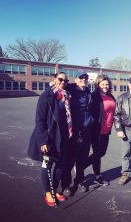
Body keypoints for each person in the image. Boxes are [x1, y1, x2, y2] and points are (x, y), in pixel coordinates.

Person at [28, 72, 72, 207]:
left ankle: (54, 189)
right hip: (50, 137)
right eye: (60, 79)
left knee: (60, 165)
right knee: (47, 165)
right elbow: (40, 120)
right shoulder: (46, 96)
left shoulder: (67, 95)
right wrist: (43, 140)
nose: (63, 82)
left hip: (64, 136)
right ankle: (48, 192)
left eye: (66, 80)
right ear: (55, 79)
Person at [62, 70, 94, 195]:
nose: (84, 80)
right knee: (70, 160)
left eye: (85, 78)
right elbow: (55, 86)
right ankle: (66, 185)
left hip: (87, 131)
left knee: (82, 159)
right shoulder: (70, 89)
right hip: (74, 131)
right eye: (81, 78)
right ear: (75, 80)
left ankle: (79, 181)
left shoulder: (88, 92)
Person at [88, 75, 116, 185]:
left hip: (106, 130)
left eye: (107, 84)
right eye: (102, 84)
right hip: (96, 130)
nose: (105, 86)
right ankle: (97, 175)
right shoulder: (94, 96)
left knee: (101, 153)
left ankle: (80, 164)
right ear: (98, 85)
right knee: (97, 153)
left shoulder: (110, 96)